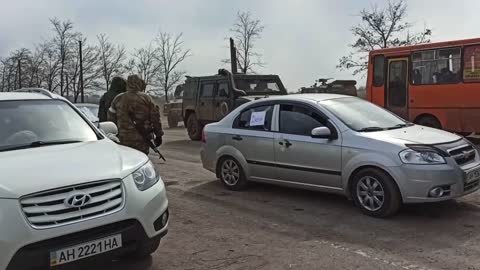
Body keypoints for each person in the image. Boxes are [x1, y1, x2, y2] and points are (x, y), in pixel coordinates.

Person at [107, 75, 163, 154]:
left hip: (123, 138)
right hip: (142, 138)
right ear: (139, 83)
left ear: (127, 84)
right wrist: (158, 135)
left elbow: (111, 119)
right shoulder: (146, 98)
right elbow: (155, 118)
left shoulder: (118, 98)